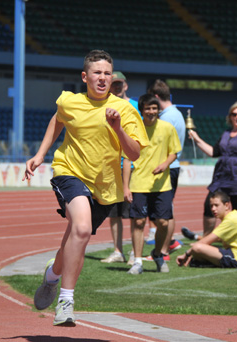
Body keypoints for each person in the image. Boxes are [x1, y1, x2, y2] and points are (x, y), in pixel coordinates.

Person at [23, 50, 148, 326]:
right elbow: (58, 120)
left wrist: (117, 128)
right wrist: (41, 153)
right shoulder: (70, 101)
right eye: (97, 73)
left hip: (105, 186)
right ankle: (66, 302)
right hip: (70, 171)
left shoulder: (125, 110)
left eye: (107, 73)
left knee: (73, 240)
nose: (102, 78)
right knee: (80, 229)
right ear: (85, 76)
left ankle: (52, 277)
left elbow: (136, 153)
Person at [181, 101, 237, 241]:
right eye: (234, 114)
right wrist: (196, 139)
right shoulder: (226, 133)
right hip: (221, 176)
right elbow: (213, 152)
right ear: (230, 117)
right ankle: (206, 239)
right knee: (210, 205)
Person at [127, 94, 182, 275]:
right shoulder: (134, 129)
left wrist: (165, 164)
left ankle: (158, 254)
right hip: (138, 184)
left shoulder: (167, 128)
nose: (151, 112)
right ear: (141, 111)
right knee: (139, 222)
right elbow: (126, 158)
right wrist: (125, 187)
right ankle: (137, 261)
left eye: (154, 108)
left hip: (162, 184)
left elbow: (174, 152)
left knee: (163, 223)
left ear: (158, 110)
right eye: (148, 108)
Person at [100, 72, 140, 264]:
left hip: (131, 167)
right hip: (110, 167)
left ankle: (134, 251)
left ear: (126, 85)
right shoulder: (104, 105)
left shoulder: (134, 107)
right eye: (113, 84)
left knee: (132, 213)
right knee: (113, 213)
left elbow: (140, 135)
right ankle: (118, 251)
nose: (116, 87)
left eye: (119, 84)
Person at [147, 80, 185, 258]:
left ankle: (164, 250)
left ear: (155, 97)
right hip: (172, 167)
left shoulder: (167, 117)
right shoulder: (176, 113)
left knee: (164, 211)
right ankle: (168, 244)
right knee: (165, 210)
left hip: (166, 167)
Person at [176, 191, 237, 268]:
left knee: (197, 247)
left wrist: (186, 254)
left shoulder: (231, 220)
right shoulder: (232, 216)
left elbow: (205, 242)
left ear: (226, 205)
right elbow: (218, 239)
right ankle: (205, 262)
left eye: (216, 205)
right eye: (211, 206)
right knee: (198, 250)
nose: (213, 209)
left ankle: (207, 263)